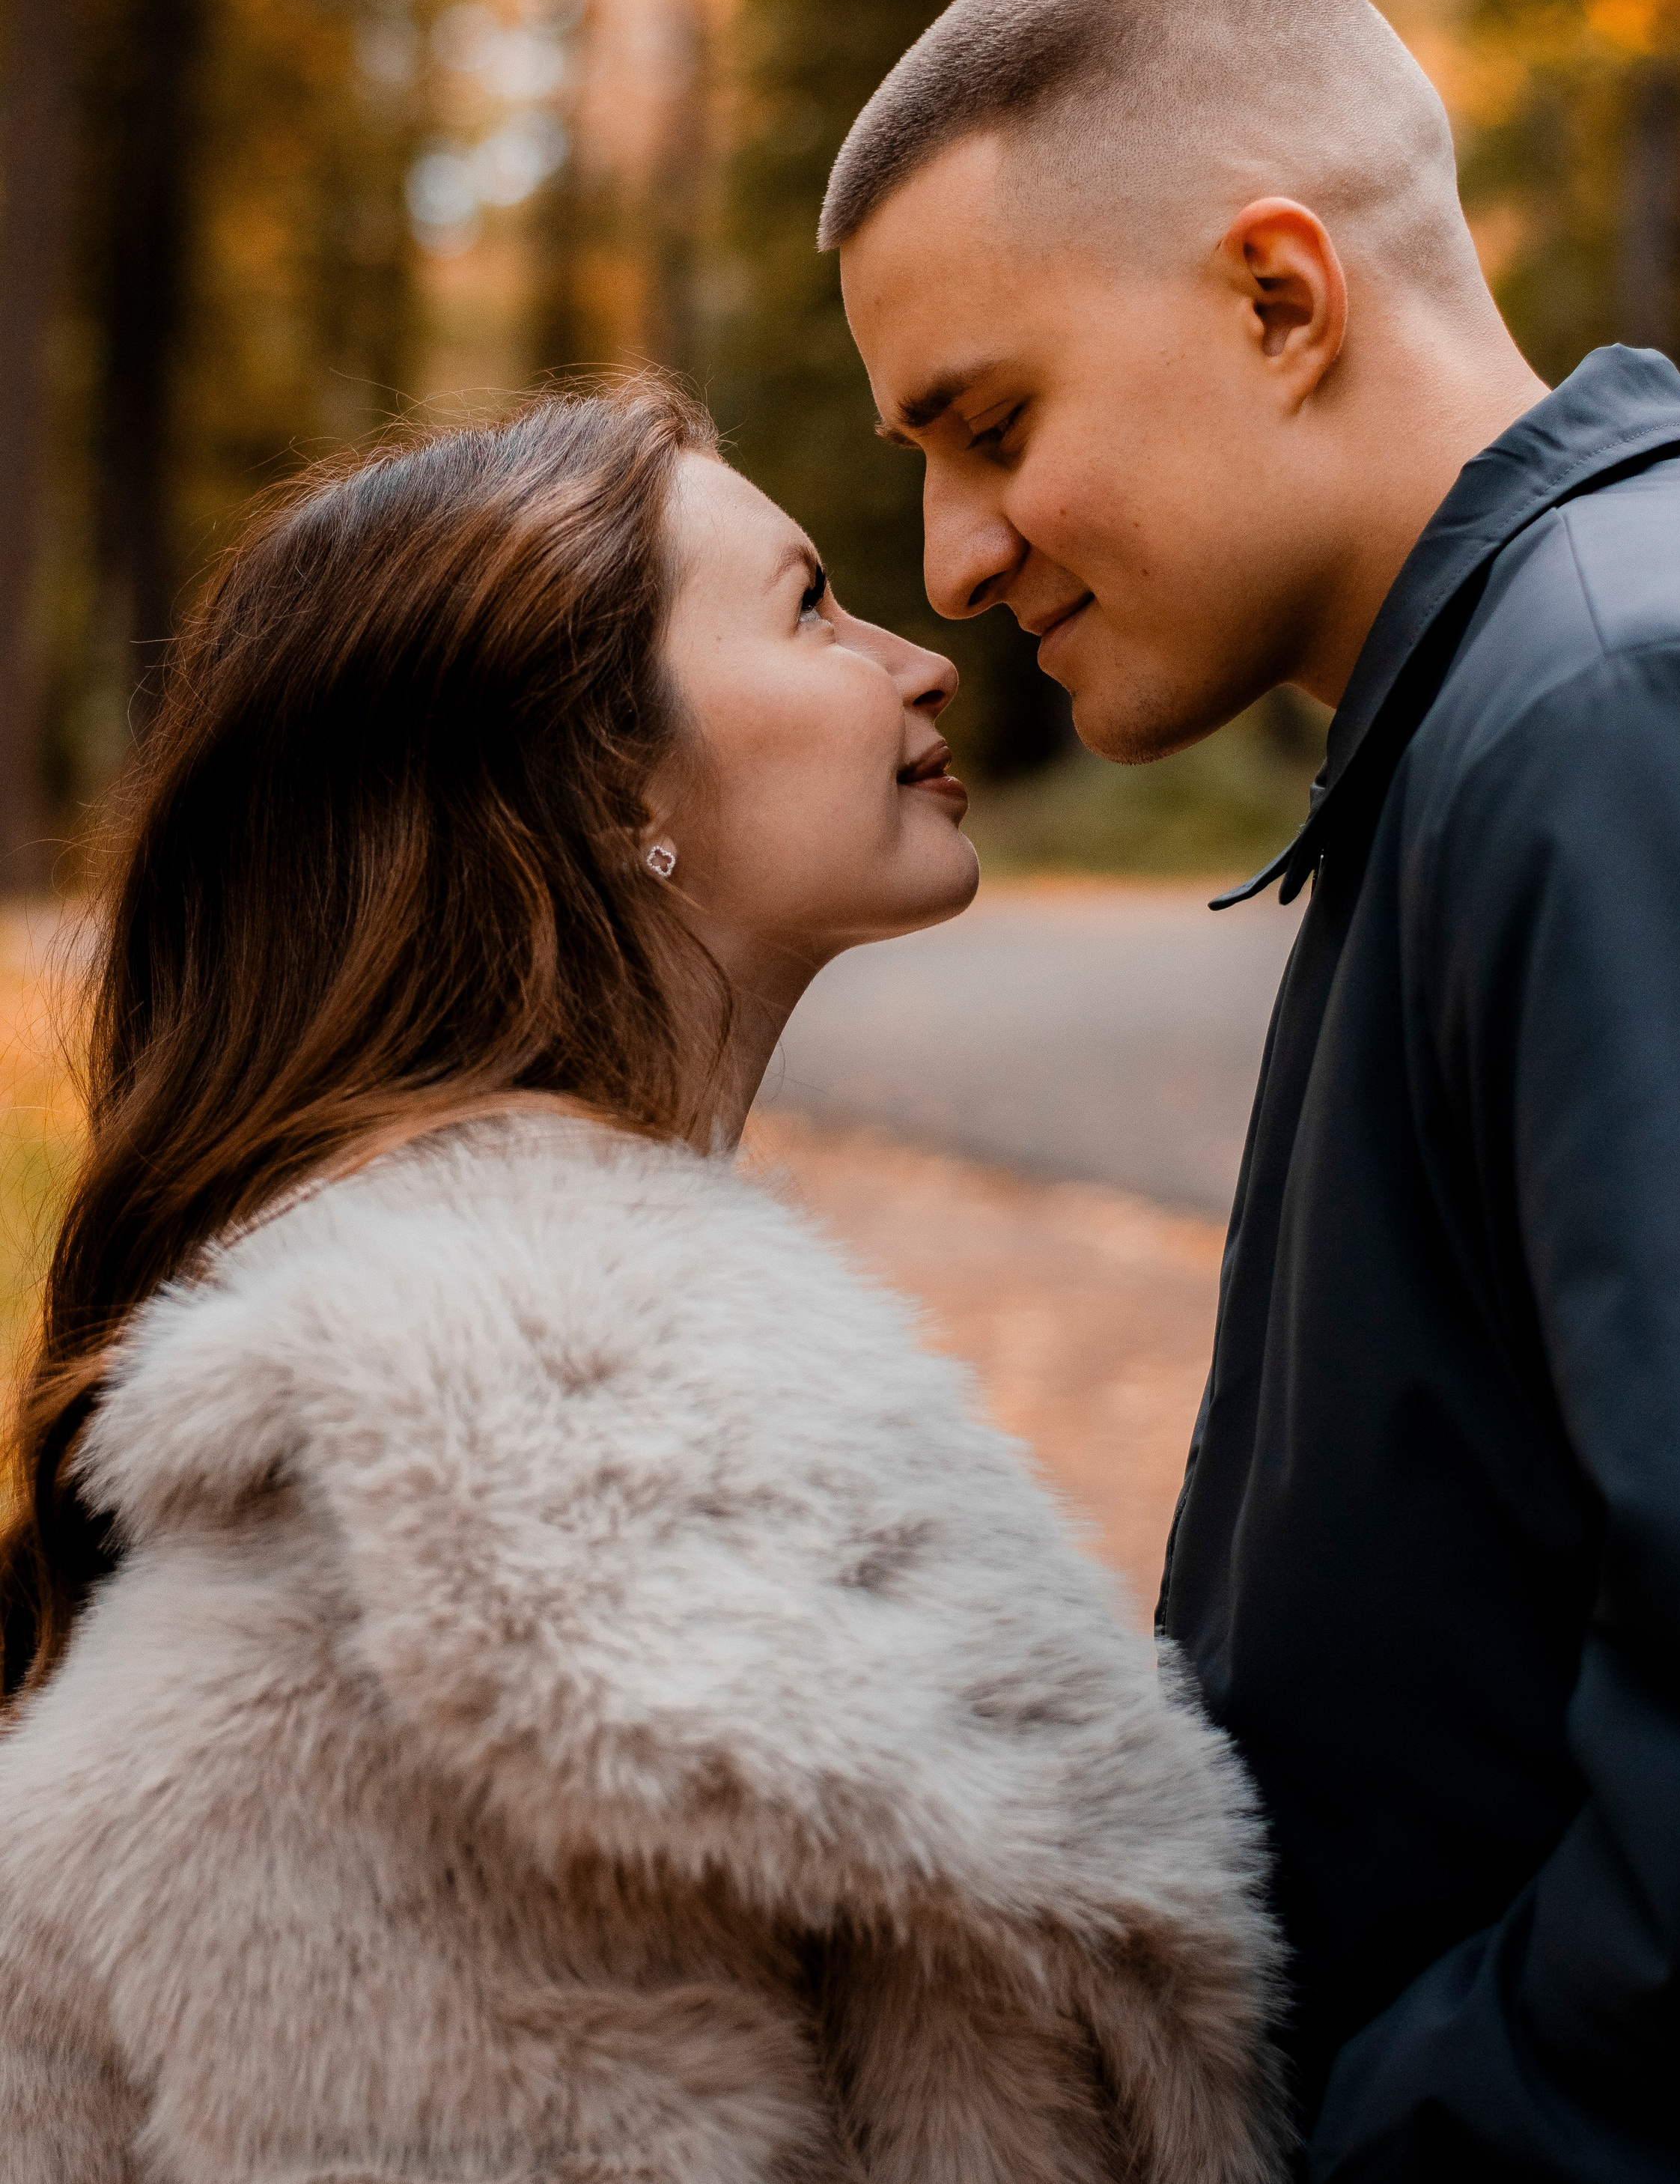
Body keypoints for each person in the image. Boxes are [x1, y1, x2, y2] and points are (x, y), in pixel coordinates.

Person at [824, 0, 1680, 2180]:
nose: (946, 554)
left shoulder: (1642, 714)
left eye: (993, 422)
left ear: (1282, 297)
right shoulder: (1521, 711)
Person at [0, 380, 1285, 2184]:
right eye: (810, 607)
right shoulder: (447, 1590)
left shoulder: (546, 1461)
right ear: (606, 785)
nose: (920, 657)